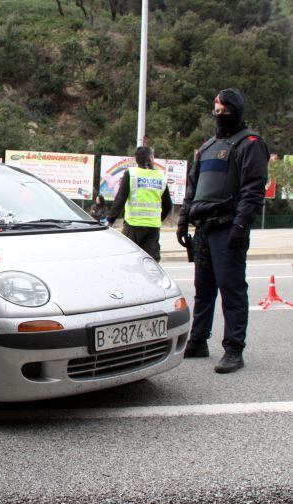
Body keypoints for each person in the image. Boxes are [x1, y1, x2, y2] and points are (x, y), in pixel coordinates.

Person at [177, 88, 269, 374]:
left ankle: (233, 349)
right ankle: (198, 340)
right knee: (203, 290)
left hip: (228, 227)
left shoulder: (250, 144)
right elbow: (192, 187)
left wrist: (241, 226)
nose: (220, 115)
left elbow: (253, 190)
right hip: (203, 229)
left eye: (225, 110)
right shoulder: (206, 148)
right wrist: (182, 221)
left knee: (232, 290)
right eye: (216, 110)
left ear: (236, 110)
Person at [106, 146, 172, 261]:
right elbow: (168, 204)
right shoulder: (161, 176)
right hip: (152, 228)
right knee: (150, 264)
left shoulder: (132, 174)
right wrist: (158, 219)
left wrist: (111, 220)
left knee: (128, 260)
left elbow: (120, 199)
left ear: (137, 160)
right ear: (151, 158)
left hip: (133, 225)